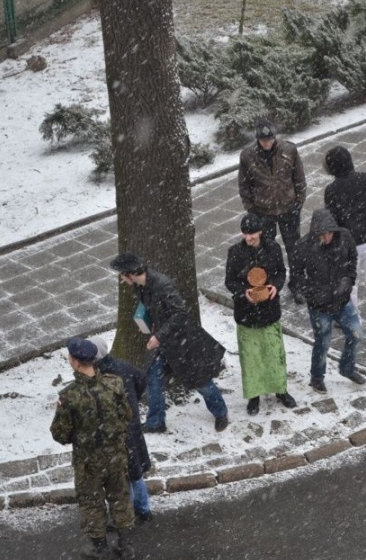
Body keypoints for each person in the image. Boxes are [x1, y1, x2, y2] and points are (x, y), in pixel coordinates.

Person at [110, 251, 229, 433]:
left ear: (130, 274)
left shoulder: (162, 285)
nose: (120, 279)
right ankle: (156, 422)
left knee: (199, 380)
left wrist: (158, 336)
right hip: (164, 341)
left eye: (121, 274)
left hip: (182, 343)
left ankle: (220, 412)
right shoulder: (140, 286)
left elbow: (180, 314)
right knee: (153, 377)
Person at [50, 338, 135, 560]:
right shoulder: (114, 383)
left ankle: (100, 548)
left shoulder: (69, 396)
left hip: (89, 461)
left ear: (76, 362)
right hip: (116, 456)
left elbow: (60, 435)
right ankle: (126, 546)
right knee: (120, 497)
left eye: (70, 357)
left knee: (91, 501)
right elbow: (127, 416)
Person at [225, 213, 297, 415]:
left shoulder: (273, 248)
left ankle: (280, 390)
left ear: (260, 232)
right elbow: (229, 281)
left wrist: (275, 286)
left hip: (269, 311)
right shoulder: (235, 252)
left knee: (274, 354)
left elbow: (281, 273)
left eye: (252, 233)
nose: (249, 237)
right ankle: (254, 397)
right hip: (246, 314)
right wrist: (243, 292)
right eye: (245, 234)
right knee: (251, 358)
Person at [323, 145, 366, 347]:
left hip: (348, 244)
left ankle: (354, 324)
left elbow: (332, 221)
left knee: (350, 285)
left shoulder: (332, 191)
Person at [293, 208, 364, 394]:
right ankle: (317, 377)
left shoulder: (345, 238)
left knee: (356, 333)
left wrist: (348, 280)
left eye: (328, 234)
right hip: (319, 305)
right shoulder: (303, 247)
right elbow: (297, 277)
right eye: (322, 235)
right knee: (322, 342)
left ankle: (347, 368)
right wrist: (311, 294)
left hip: (342, 300)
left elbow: (352, 259)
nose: (326, 238)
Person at [238, 119, 307, 304]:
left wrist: (298, 203)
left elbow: (299, 178)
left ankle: (297, 285)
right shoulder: (247, 156)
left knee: (295, 250)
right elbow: (244, 187)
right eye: (263, 140)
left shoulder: (289, 150)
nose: (267, 143)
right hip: (264, 212)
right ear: (257, 140)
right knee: (267, 252)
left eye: (269, 139)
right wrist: (252, 212)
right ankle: (268, 285)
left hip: (288, 208)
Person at [89, 336, 154, 523]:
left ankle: (129, 512)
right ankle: (143, 509)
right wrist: (133, 399)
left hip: (112, 431)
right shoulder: (122, 366)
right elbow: (141, 379)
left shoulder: (98, 377)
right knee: (135, 471)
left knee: (121, 475)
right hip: (131, 426)